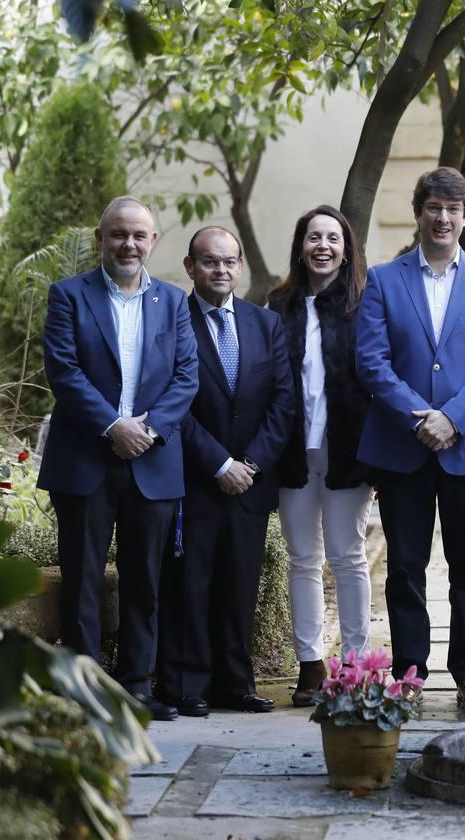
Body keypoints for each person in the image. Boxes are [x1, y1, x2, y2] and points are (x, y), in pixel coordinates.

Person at [356, 167, 465, 713]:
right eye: (434, 208)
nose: (443, 218)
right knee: (405, 566)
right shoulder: (383, 279)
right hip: (403, 450)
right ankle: (409, 673)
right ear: (418, 213)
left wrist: (452, 418)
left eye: (454, 209)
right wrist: (417, 418)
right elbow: (372, 362)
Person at [38, 196, 198, 722]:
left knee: (144, 582)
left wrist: (145, 430)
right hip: (86, 459)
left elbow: (185, 378)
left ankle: (135, 686)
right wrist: (113, 425)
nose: (129, 244)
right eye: (118, 234)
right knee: (81, 579)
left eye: (139, 236)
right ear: (101, 239)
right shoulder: (68, 296)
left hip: (151, 462)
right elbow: (64, 371)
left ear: (152, 242)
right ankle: (85, 690)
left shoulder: (174, 303)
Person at [156, 226, 294, 716]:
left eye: (229, 261)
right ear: (191, 267)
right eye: (210, 262)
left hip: (250, 482)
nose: (221, 270)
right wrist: (218, 463)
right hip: (196, 477)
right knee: (190, 585)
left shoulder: (265, 324)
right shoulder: (173, 323)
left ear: (240, 266)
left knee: (239, 587)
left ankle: (235, 684)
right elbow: (174, 404)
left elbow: (283, 403)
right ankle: (186, 685)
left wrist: (250, 464)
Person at [268, 206, 376, 707]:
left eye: (333, 238)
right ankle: (311, 664)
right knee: (302, 558)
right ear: (301, 245)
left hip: (346, 450)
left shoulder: (362, 303)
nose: (323, 246)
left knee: (349, 556)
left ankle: (354, 665)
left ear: (346, 247)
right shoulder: (279, 305)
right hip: (292, 450)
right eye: (314, 237)